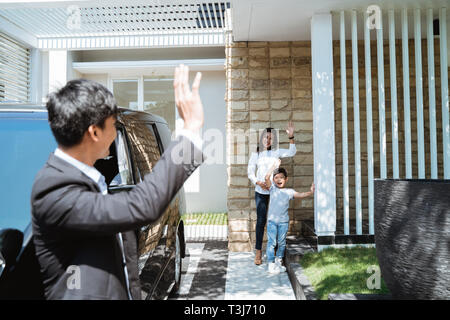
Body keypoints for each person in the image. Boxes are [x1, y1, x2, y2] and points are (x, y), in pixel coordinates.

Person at [31, 65, 205, 300]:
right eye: (113, 125)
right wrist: (190, 131)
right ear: (94, 132)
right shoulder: (55, 190)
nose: (115, 134)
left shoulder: (83, 174)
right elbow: (140, 205)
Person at [247, 121, 297, 265]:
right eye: (265, 137)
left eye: (270, 138)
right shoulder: (256, 154)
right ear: (262, 138)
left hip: (274, 192)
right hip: (260, 191)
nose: (267, 140)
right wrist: (257, 181)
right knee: (261, 221)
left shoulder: (276, 152)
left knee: (274, 220)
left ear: (273, 140)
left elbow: (292, 152)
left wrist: (291, 136)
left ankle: (273, 249)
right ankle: (258, 251)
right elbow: (250, 171)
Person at [264, 159, 314, 274]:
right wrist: (274, 166)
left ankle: (278, 261)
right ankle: (271, 263)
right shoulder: (272, 189)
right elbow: (267, 177)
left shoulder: (289, 192)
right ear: (273, 180)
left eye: (281, 177)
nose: (279, 180)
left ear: (286, 179)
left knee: (281, 242)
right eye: (276, 178)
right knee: (272, 243)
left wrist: (310, 192)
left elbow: (300, 195)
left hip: (283, 222)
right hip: (272, 221)